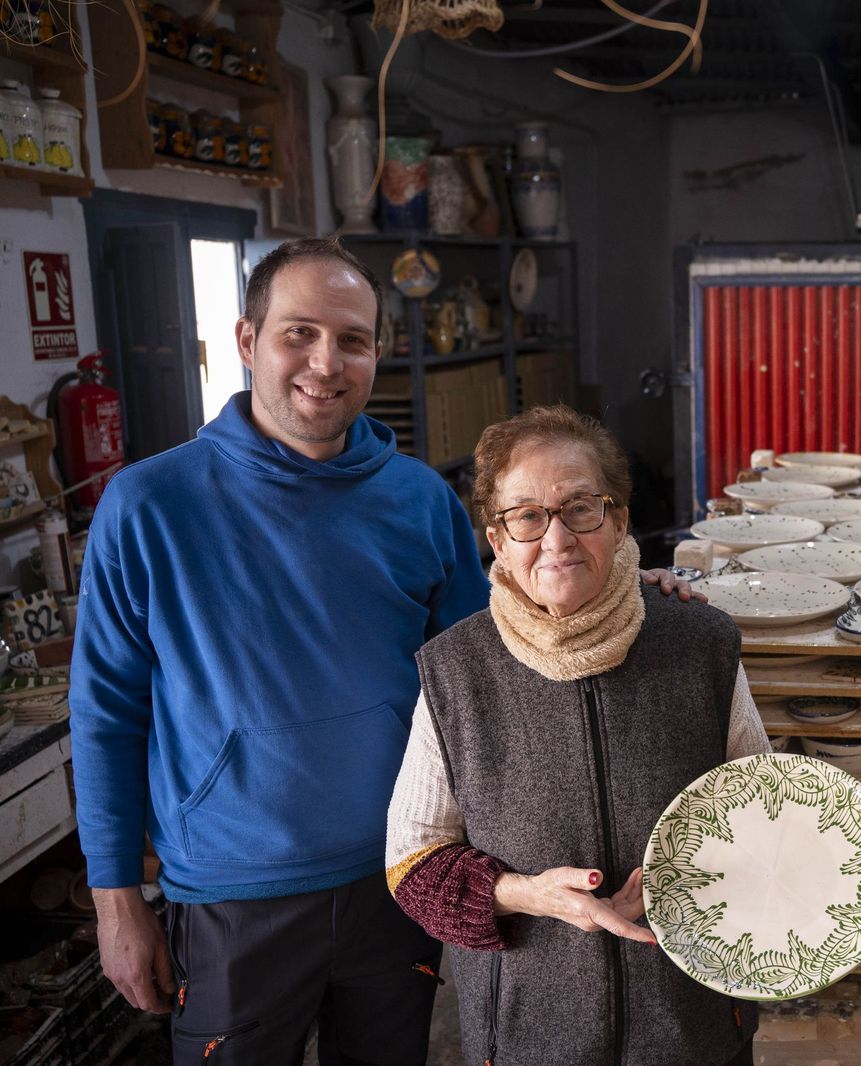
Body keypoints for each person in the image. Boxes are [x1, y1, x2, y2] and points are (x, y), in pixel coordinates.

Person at [70, 236, 696, 1064]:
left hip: (402, 876)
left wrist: (629, 590)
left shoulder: (419, 502)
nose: (325, 362)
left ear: (376, 353)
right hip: (232, 893)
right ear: (248, 341)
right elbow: (107, 714)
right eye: (299, 333)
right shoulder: (147, 505)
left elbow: (500, 665)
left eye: (352, 340)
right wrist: (117, 902)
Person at [385, 405, 770, 1066]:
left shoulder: (698, 644)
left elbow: (768, 811)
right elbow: (413, 868)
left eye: (581, 508)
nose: (556, 539)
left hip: (694, 1023)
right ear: (497, 539)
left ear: (618, 521)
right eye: (527, 515)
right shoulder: (455, 672)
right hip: (529, 1036)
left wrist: (690, 874)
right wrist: (526, 895)